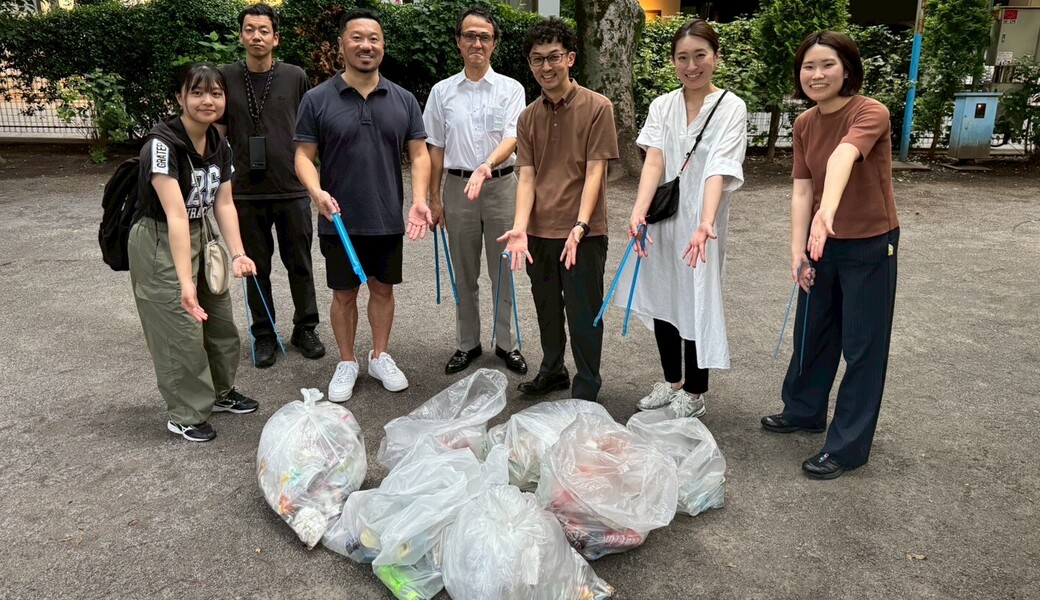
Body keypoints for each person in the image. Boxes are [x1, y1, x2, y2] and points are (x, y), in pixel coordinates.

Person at [760, 31, 900, 480]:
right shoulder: (804, 124)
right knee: (812, 331)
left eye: (827, 65)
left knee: (863, 346)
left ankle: (847, 446)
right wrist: (797, 250)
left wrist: (828, 212)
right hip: (821, 245)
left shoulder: (868, 111)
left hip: (869, 244)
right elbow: (802, 189)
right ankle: (803, 410)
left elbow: (843, 156)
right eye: (808, 66)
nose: (816, 75)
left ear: (847, 69)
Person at [294, 9, 432, 403]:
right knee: (343, 293)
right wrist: (315, 192)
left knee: (383, 290)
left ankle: (380, 355)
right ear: (342, 45)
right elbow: (303, 155)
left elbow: (420, 156)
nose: (365, 45)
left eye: (373, 38)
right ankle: (348, 360)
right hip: (337, 218)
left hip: (386, 215)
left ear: (383, 46)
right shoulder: (317, 98)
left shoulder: (403, 99)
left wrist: (420, 200)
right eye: (356, 38)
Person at [617, 20, 747, 418]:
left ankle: (694, 392)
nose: (691, 66)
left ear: (716, 57)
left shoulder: (731, 107)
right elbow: (654, 159)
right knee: (662, 296)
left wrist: (705, 222)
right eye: (682, 58)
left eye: (700, 56)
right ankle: (672, 382)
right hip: (663, 217)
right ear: (673, 61)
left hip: (700, 224)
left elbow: (718, 169)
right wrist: (639, 210)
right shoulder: (663, 105)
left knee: (695, 299)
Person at [129, 63, 259, 442]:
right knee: (179, 330)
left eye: (216, 93)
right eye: (198, 92)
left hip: (200, 233)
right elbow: (174, 215)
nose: (208, 100)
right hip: (160, 240)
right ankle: (185, 413)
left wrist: (238, 253)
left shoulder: (220, 143)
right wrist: (185, 280)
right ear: (180, 98)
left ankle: (219, 392)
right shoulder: (161, 146)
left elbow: (225, 204)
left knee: (220, 321)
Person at [498, 18, 619, 402]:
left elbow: (596, 171)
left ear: (570, 58)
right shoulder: (528, 116)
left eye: (553, 58)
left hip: (583, 233)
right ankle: (552, 370)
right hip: (539, 232)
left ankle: (587, 384)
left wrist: (581, 226)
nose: (546, 67)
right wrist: (520, 227)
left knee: (584, 314)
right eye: (537, 60)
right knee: (547, 308)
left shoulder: (598, 107)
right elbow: (528, 177)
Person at [422, 7, 529, 376]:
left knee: (504, 270)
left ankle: (507, 344)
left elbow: (514, 137)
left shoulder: (511, 89)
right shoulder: (442, 92)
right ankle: (467, 343)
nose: (477, 43)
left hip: (500, 184)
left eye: (484, 36)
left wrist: (486, 166)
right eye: (470, 36)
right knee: (464, 272)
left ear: (494, 44)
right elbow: (434, 147)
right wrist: (434, 198)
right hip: (456, 187)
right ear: (458, 42)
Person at [218, 3, 324, 368]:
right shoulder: (226, 77)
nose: (257, 36)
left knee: (301, 264)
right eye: (250, 29)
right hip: (244, 190)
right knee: (255, 267)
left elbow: (309, 129)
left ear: (276, 38)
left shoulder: (295, 76)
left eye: (264, 30)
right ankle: (264, 334)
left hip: (291, 186)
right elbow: (216, 134)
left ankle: (305, 327)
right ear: (241, 35)